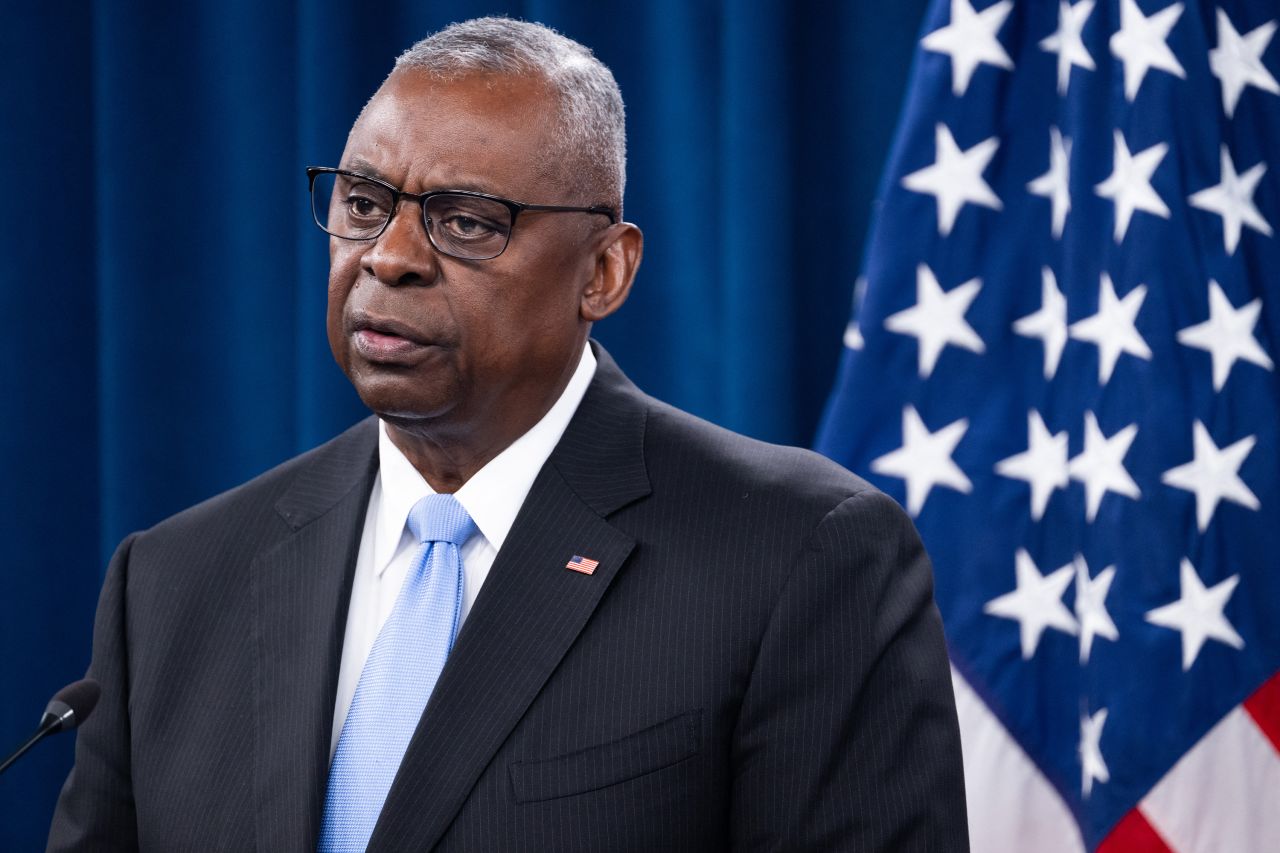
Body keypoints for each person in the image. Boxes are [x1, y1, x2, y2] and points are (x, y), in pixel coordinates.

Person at [48, 16, 968, 852]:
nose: (390, 257)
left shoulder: (801, 555)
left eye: (465, 222)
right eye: (364, 204)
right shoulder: (172, 582)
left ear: (604, 272)